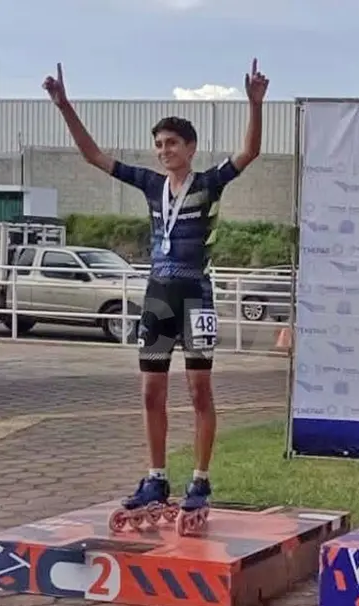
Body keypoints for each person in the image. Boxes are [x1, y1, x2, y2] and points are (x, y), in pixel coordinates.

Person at [43, 61, 268, 528]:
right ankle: (156, 478)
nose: (164, 151)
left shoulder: (208, 183)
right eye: (159, 145)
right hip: (158, 297)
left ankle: (201, 479)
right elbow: (93, 157)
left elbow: (250, 152)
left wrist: (255, 105)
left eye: (172, 144)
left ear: (190, 148)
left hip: (195, 297)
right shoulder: (149, 185)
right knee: (151, 392)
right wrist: (65, 107)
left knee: (199, 389)